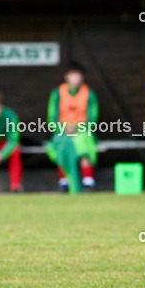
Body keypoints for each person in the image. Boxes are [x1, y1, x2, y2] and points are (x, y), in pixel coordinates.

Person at [46, 62, 99, 192]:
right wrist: (63, 128)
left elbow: (93, 118)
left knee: (83, 145)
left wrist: (78, 128)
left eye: (78, 75)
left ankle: (88, 181)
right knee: (61, 146)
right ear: (66, 77)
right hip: (62, 130)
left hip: (82, 130)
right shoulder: (57, 93)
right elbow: (51, 118)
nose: (76, 78)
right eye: (73, 75)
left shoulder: (89, 94)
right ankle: (64, 181)